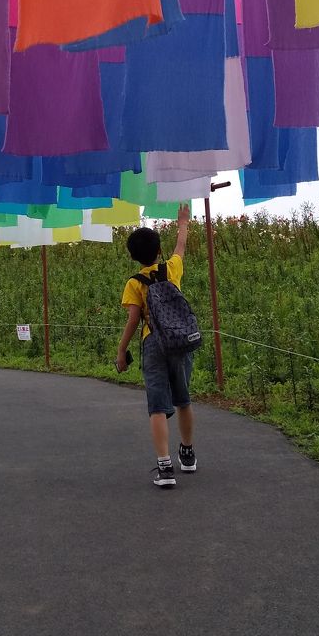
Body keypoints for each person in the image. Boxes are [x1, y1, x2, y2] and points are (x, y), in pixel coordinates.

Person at [116, 205, 196, 487]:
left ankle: (165, 468)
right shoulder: (172, 268)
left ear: (133, 256)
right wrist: (183, 222)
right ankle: (187, 454)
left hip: (152, 343)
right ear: (158, 249)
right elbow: (182, 244)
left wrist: (121, 352)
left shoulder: (134, 283)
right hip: (179, 340)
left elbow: (134, 320)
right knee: (183, 399)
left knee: (157, 406)